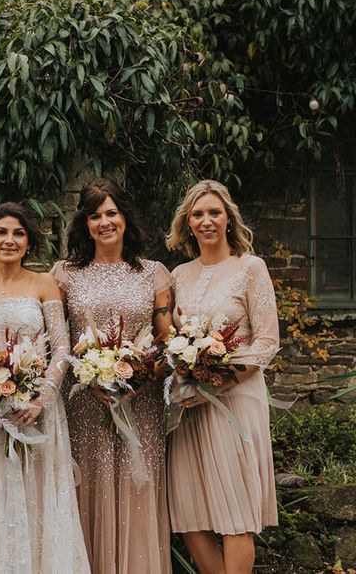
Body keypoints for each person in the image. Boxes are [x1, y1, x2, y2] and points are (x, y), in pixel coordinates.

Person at [0, 202, 90, 574]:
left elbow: (62, 347)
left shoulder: (45, 284)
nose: (9, 240)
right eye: (1, 232)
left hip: (36, 412)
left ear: (28, 242)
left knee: (38, 496)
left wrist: (42, 398)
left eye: (18, 233)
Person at [51, 178, 172, 573]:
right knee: (88, 486)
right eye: (95, 215)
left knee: (139, 487)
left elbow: (164, 339)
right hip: (84, 404)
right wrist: (89, 376)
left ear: (125, 218)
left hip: (142, 403)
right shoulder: (64, 274)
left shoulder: (154, 273)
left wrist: (142, 375)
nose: (104, 222)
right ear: (85, 224)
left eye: (111, 213)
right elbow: (56, 340)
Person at [166, 179, 279, 574]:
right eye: (198, 214)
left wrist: (219, 378)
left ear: (229, 219)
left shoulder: (250, 268)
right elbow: (171, 337)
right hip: (189, 407)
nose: (206, 220)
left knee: (235, 511)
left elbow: (267, 341)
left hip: (235, 401)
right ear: (188, 223)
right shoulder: (179, 275)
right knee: (189, 514)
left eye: (214, 212)